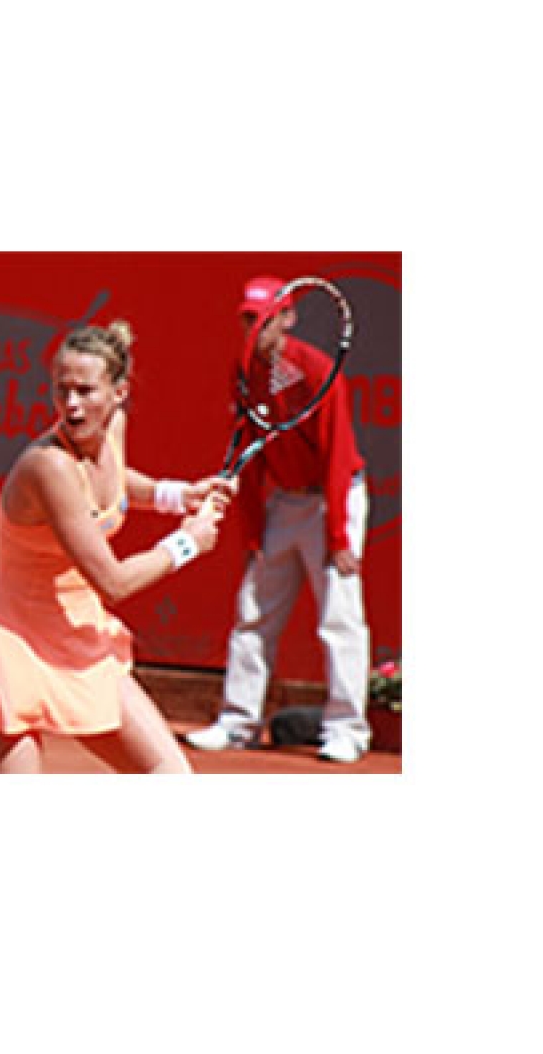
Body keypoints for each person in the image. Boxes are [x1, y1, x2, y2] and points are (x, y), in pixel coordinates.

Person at [0, 320, 237, 774]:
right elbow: (113, 582)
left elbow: (112, 482)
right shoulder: (48, 468)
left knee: (170, 775)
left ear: (119, 393)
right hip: (9, 644)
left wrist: (175, 495)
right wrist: (187, 543)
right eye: (62, 389)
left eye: (86, 391)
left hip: (77, 634)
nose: (71, 404)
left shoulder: (113, 431)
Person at [183, 275, 373, 763]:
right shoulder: (245, 371)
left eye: (264, 319)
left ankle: (348, 730)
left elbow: (336, 456)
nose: (255, 328)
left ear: (288, 319)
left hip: (334, 499)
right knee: (253, 613)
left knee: (339, 618)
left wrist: (338, 536)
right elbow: (251, 457)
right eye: (248, 319)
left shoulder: (317, 371)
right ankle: (237, 723)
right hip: (285, 504)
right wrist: (252, 532)